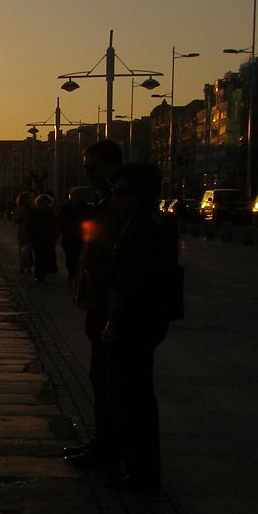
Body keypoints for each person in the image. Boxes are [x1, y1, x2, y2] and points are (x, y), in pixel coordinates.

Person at [102, 162, 174, 492]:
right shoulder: (144, 223)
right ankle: (138, 467)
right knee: (135, 396)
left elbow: (133, 283)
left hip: (135, 324)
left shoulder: (144, 229)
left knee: (134, 398)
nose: (115, 199)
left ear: (140, 194)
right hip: (143, 322)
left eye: (121, 193)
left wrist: (115, 323)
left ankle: (141, 473)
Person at [64, 139, 123, 470]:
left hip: (107, 306)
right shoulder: (106, 202)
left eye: (91, 168)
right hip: (98, 303)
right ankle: (105, 443)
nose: (88, 175)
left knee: (108, 380)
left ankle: (110, 449)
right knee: (100, 379)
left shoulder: (117, 205)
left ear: (110, 166)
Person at [58, 187, 91, 283]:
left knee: (80, 257)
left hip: (81, 237)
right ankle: (72, 274)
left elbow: (89, 220)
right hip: (69, 237)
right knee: (70, 257)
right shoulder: (65, 208)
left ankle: (77, 274)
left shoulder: (85, 208)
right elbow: (61, 222)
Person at [26, 193, 59, 282]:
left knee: (45, 256)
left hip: (48, 237)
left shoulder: (51, 212)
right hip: (37, 237)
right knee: (38, 256)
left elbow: (55, 224)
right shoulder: (34, 211)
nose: (44, 204)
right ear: (39, 202)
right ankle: (39, 274)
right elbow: (29, 224)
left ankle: (42, 272)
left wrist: (55, 235)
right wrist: (29, 235)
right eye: (42, 202)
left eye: (45, 202)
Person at [12, 192, 34, 273]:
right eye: (26, 198)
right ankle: (22, 267)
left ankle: (28, 267)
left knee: (28, 250)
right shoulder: (19, 208)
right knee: (22, 250)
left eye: (28, 198)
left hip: (30, 231)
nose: (27, 200)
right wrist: (20, 216)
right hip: (22, 231)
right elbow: (15, 220)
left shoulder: (31, 208)